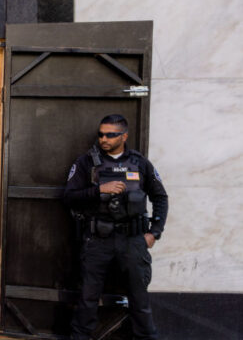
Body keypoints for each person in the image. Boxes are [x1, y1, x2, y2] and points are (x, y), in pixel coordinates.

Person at [64, 114, 168, 340]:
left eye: (110, 135)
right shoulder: (85, 163)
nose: (104, 139)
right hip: (97, 240)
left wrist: (154, 233)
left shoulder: (140, 163)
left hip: (133, 240)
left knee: (139, 300)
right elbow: (69, 197)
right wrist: (100, 190)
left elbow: (160, 197)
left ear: (124, 136)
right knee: (87, 299)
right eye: (101, 134)